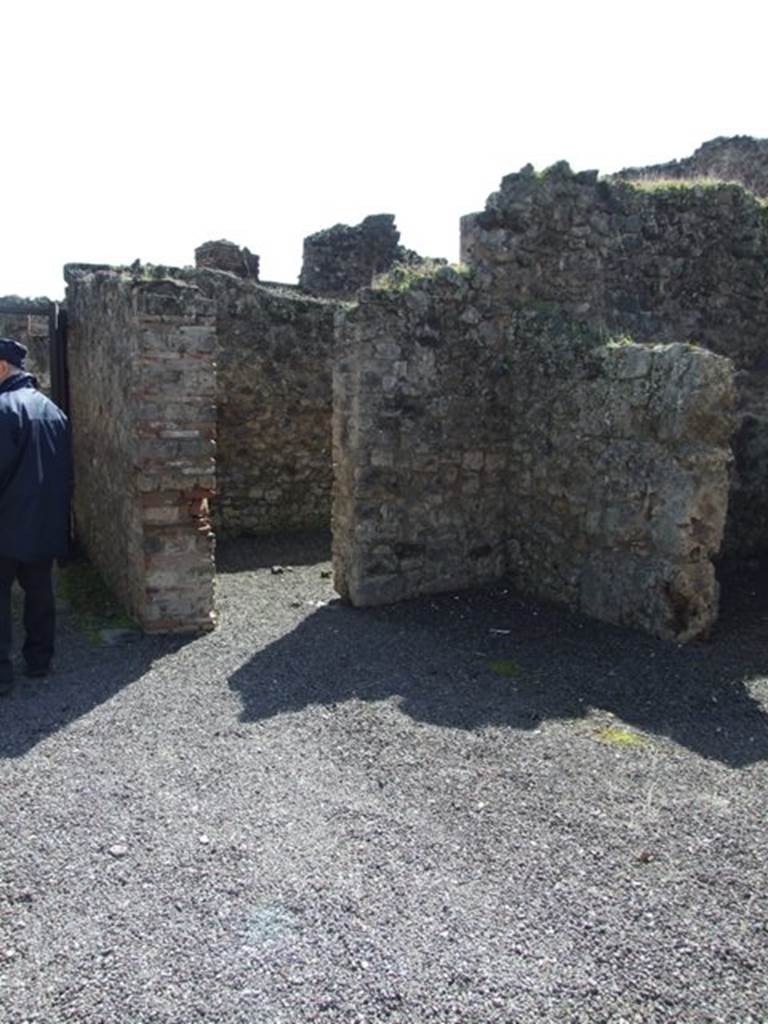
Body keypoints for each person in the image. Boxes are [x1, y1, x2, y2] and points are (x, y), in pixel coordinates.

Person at [0, 337, 71, 696]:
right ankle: (39, 660)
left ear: (1, 367)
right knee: (40, 592)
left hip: (6, 524)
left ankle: (2, 675)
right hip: (44, 523)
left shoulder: (2, 409)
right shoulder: (54, 411)